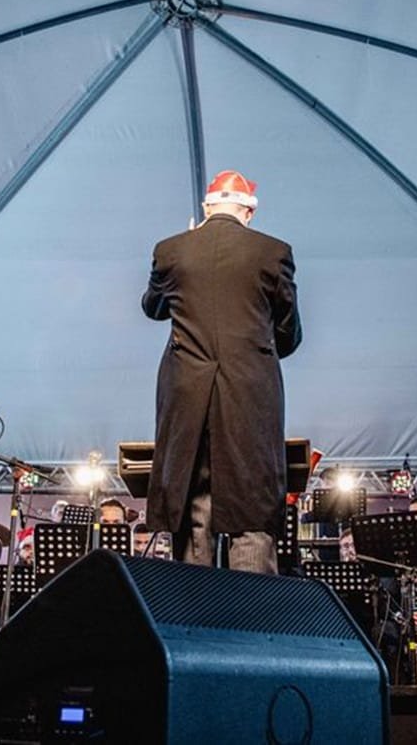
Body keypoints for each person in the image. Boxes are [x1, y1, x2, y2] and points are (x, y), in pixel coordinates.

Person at [142, 170, 302, 574]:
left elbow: (153, 307)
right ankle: (250, 624)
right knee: (252, 509)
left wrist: (185, 251)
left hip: (186, 395)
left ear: (206, 207)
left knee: (194, 505)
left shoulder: (171, 250)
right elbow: (290, 333)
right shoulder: (273, 252)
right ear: (248, 212)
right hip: (248, 393)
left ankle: (194, 619)